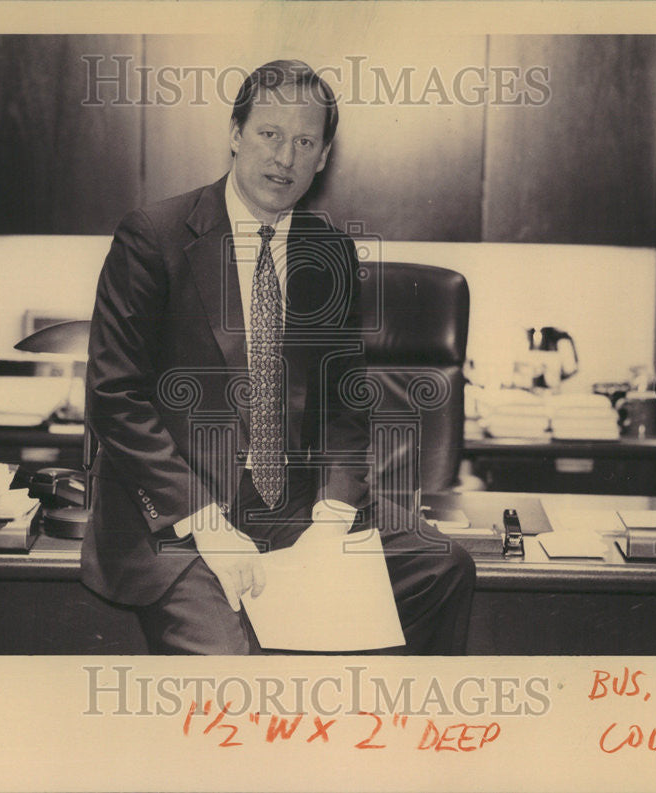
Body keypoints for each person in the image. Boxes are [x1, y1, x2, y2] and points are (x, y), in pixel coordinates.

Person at [82, 59, 474, 654]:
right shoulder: (153, 236)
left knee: (443, 567)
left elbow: (346, 407)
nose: (284, 158)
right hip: (182, 522)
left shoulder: (329, 252)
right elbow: (115, 395)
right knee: (234, 671)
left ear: (323, 158)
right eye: (269, 134)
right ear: (235, 134)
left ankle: (374, 735)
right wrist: (206, 523)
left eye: (304, 142)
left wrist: (333, 516)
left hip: (292, 512)